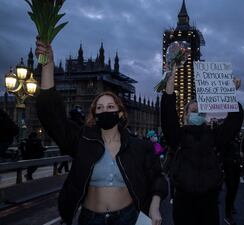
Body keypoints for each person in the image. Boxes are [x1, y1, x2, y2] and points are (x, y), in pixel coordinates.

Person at [35, 39, 167, 225]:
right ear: (94, 114)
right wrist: (47, 66)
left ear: (120, 112)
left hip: (128, 218)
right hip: (90, 219)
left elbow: (157, 179)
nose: (105, 111)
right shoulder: (83, 141)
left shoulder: (139, 146)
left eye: (110, 106)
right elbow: (53, 118)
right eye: (100, 108)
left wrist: (154, 207)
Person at [161, 66, 243, 225]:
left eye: (199, 112)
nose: (196, 115)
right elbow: (168, 118)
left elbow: (233, 124)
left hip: (209, 199)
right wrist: (169, 87)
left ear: (205, 115)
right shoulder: (178, 136)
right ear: (185, 116)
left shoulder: (214, 136)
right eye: (192, 112)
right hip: (183, 199)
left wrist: (230, 94)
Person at [58, 106, 86, 174]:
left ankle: (63, 169)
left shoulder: (75, 123)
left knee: (67, 156)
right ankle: (64, 169)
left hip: (70, 144)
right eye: (78, 116)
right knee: (68, 156)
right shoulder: (71, 124)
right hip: (69, 144)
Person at [221, 134, 242, 225]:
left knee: (235, 188)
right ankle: (227, 214)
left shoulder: (237, 136)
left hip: (236, 166)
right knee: (230, 188)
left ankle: (231, 205)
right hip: (228, 167)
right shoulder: (225, 137)